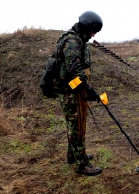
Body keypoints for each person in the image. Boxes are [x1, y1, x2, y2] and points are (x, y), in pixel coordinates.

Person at [55, 11, 103, 176]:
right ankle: (82, 164)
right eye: (93, 31)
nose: (93, 35)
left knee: (74, 125)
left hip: (73, 89)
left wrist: (86, 89)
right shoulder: (72, 41)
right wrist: (89, 90)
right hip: (71, 91)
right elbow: (74, 70)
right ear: (87, 26)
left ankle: (73, 155)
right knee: (76, 127)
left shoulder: (76, 39)